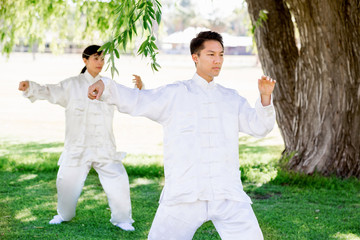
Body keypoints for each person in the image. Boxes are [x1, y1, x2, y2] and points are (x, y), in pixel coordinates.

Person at [88, 31, 276, 239]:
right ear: (195, 57)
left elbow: (259, 127)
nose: (218, 60)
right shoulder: (176, 94)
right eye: (211, 54)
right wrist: (105, 86)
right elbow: (138, 100)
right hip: (185, 193)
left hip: (226, 193)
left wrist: (265, 97)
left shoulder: (230, 98)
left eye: (221, 55)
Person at [18, 45, 143, 231]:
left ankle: (122, 219)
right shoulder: (71, 85)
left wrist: (138, 89)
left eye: (102, 58)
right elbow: (50, 91)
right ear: (85, 60)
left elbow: (129, 100)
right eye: (95, 58)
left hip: (104, 147)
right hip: (77, 147)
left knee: (118, 181)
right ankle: (63, 214)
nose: (100, 62)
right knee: (66, 183)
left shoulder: (108, 86)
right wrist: (30, 87)